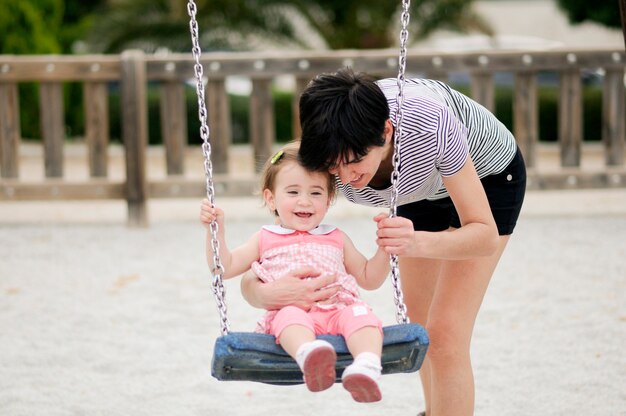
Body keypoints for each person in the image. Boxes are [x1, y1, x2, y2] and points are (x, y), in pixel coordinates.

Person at [241, 68, 526, 415]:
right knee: (420, 326)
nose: (346, 178)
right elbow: (277, 244)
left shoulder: (430, 122)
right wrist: (258, 292)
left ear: (386, 132)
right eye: (334, 167)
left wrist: (416, 243)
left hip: (487, 176)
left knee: (447, 334)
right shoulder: (325, 154)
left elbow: (483, 237)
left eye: (356, 162)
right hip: (416, 188)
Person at [200, 141, 391, 403]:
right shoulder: (265, 237)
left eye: (316, 193)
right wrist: (215, 232)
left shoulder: (336, 237)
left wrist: (384, 248)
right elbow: (224, 267)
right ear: (271, 198)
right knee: (288, 317)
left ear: (329, 199)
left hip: (340, 309)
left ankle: (366, 366)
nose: (305, 201)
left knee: (362, 316)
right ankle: (309, 355)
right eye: (292, 192)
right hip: (294, 314)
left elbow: (370, 278)